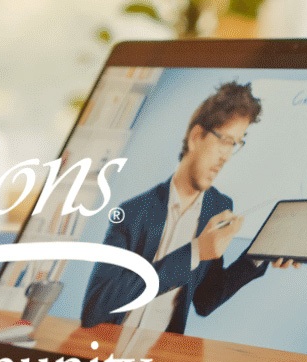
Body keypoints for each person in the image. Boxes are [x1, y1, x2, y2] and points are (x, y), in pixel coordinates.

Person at [80, 82, 295, 336]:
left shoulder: (219, 208)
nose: (226, 156)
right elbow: (94, 309)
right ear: (196, 137)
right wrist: (195, 252)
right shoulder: (134, 212)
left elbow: (205, 300)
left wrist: (260, 255)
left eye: (235, 144)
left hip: (162, 357)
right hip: (107, 350)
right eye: (224, 140)